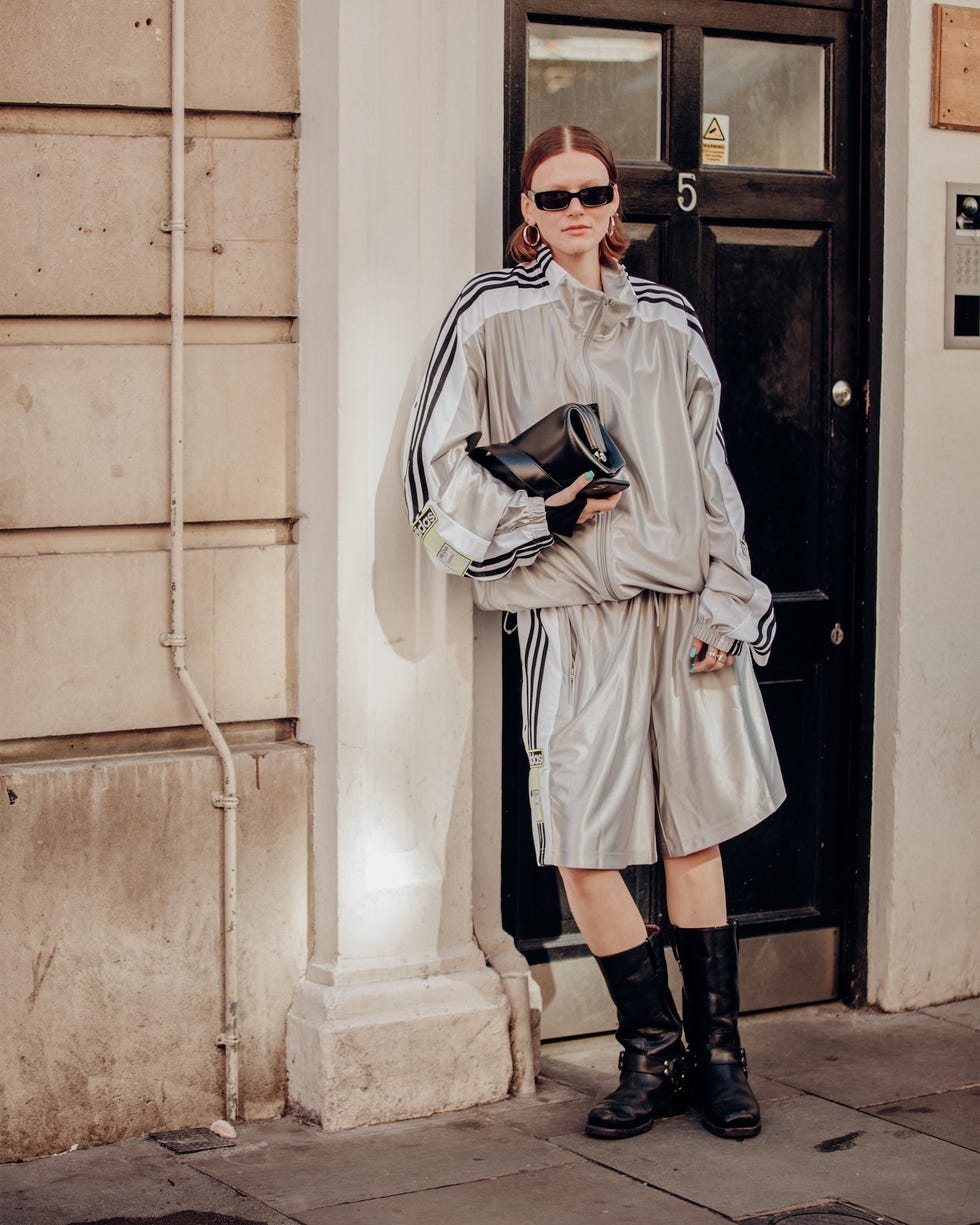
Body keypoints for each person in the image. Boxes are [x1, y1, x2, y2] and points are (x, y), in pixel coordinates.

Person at [403, 125, 785, 1142]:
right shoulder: (487, 314)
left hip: (679, 605)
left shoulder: (667, 317)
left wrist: (729, 600)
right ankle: (647, 1052)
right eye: (553, 195)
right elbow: (436, 476)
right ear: (526, 210)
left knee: (690, 832)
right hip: (568, 614)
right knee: (581, 842)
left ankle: (716, 1058)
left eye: (592, 192)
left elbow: (710, 476)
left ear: (618, 203)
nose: (575, 211)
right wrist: (545, 518)